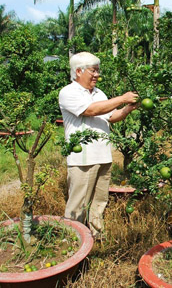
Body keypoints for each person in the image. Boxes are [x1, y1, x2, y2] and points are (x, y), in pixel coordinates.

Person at [59, 51, 139, 239]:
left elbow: (111, 117)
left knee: (99, 202)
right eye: (93, 71)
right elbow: (91, 110)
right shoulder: (68, 92)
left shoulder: (99, 93)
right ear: (78, 71)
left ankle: (96, 236)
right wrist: (122, 98)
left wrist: (127, 108)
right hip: (83, 159)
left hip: (103, 157)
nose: (97, 75)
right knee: (78, 204)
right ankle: (72, 240)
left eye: (98, 71)